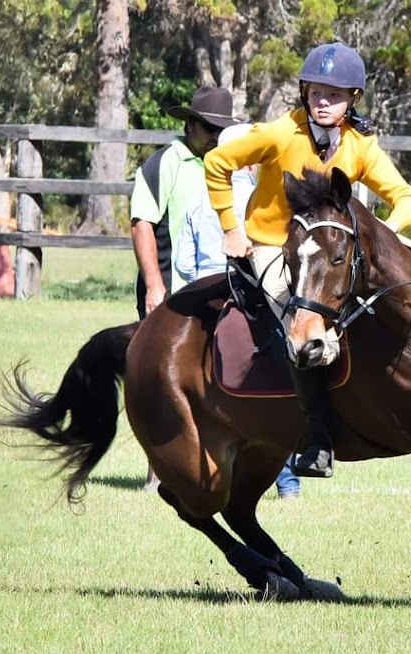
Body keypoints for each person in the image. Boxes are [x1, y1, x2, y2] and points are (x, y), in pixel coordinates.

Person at [204, 42, 411, 480]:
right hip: (273, 245)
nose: (323, 101)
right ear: (304, 92)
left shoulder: (360, 145)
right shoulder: (280, 134)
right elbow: (218, 162)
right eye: (316, 92)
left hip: (334, 249)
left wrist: (381, 238)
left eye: (334, 95)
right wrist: (230, 228)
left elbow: (407, 198)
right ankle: (317, 436)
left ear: (353, 99)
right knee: (299, 323)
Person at [176, 123, 303, 500]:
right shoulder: (263, 199)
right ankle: (289, 479)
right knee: (280, 376)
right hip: (248, 292)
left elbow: (183, 260)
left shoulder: (200, 199)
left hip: (202, 298)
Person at [130, 85, 241, 491]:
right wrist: (155, 286)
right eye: (209, 127)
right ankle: (157, 470)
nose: (215, 136)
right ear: (189, 123)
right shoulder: (162, 165)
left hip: (220, 289)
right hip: (172, 293)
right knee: (161, 382)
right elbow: (142, 222)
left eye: (221, 129)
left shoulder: (228, 164)